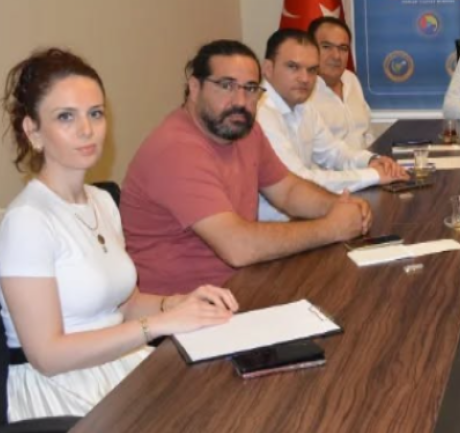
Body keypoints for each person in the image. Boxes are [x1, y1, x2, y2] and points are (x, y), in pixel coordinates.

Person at [0, 49, 237, 433]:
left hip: (117, 366)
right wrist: (157, 326)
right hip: (63, 394)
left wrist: (178, 304)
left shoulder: (102, 201)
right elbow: (48, 355)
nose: (86, 130)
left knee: (228, 419)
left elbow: (124, 304)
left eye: (95, 113)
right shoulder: (27, 222)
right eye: (65, 117)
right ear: (33, 131)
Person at [121, 40, 373, 295]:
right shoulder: (176, 150)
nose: (241, 101)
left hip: (241, 285)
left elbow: (288, 191)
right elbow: (238, 247)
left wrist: (339, 206)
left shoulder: (243, 130)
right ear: (194, 88)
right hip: (186, 305)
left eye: (251, 88)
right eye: (226, 86)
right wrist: (330, 228)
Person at [255, 28, 407, 221]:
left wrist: (371, 160)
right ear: (268, 69)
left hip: (308, 217)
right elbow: (300, 182)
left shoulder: (303, 105)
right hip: (277, 228)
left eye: (312, 70)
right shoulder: (260, 113)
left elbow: (333, 152)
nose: (305, 78)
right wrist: (373, 175)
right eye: (293, 67)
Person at [307, 16, 372, 150]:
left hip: (366, 161)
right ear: (310, 48)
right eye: (326, 47)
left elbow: (367, 133)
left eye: (343, 48)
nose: (336, 56)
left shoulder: (351, 79)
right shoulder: (302, 91)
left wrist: (376, 158)